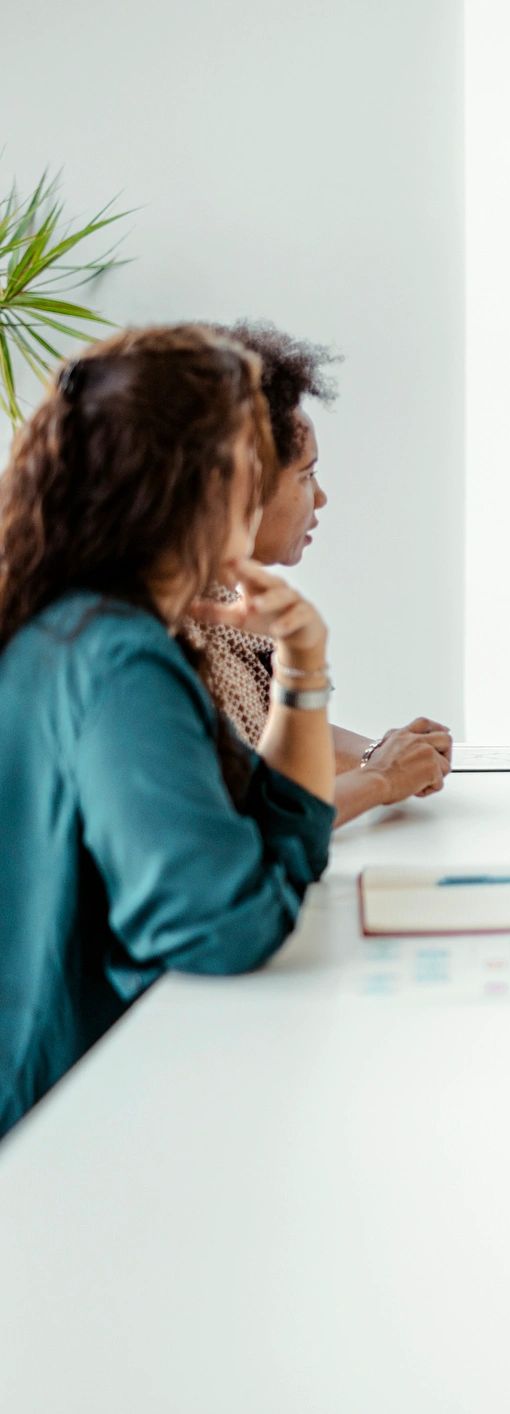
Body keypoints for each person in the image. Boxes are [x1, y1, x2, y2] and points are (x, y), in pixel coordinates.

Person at [0, 326, 339, 1138]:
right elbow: (219, 925)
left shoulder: (90, 631)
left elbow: (277, 843)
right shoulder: (113, 658)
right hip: (68, 1128)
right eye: (252, 461)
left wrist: (302, 665)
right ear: (202, 481)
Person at [185, 321, 452, 826]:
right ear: (245, 485)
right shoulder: (174, 628)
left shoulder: (218, 595)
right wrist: (380, 781)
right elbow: (245, 822)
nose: (321, 497)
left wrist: (380, 755)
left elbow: (266, 741)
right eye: (307, 476)